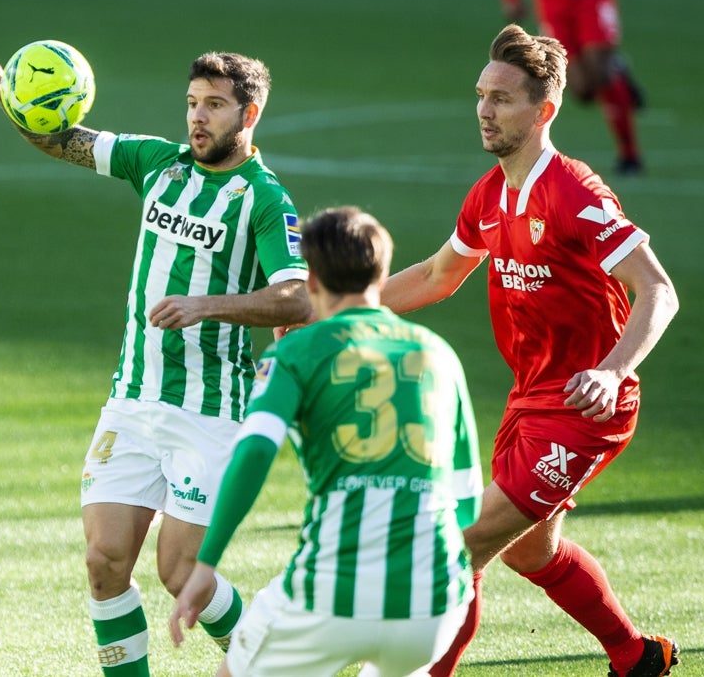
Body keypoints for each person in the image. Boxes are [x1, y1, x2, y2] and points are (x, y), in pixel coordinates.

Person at [0, 51, 312, 676]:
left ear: (248, 114)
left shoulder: (263, 199)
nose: (197, 118)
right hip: (133, 400)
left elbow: (298, 296)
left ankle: (272, 661)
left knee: (179, 572)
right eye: (192, 103)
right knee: (104, 562)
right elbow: (63, 142)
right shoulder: (156, 162)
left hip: (209, 413)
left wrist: (206, 305)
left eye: (214, 106)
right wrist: (15, 102)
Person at [380, 24, 679, 677]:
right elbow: (437, 276)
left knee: (464, 547)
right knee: (528, 552)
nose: (485, 110)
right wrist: (337, 313)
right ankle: (635, 655)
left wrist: (611, 371)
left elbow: (658, 290)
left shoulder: (575, 193)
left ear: (543, 111)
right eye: (482, 95)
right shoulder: (488, 196)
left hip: (584, 404)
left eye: (503, 99)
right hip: (531, 397)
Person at [169, 206, 484, 677]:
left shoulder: (295, 351)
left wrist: (205, 563)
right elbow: (467, 503)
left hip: (331, 592)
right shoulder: (437, 354)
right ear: (381, 274)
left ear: (311, 278)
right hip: (433, 604)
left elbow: (255, 450)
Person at [497, 0, 646, 174]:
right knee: (582, 90)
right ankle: (617, 71)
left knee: (600, 74)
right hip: (552, 4)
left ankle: (629, 155)